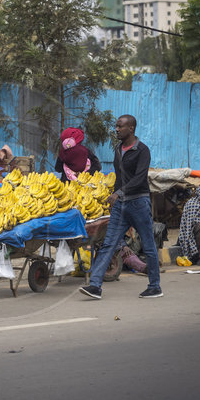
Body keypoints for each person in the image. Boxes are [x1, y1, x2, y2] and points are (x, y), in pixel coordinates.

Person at [79, 115, 163, 299]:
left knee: (148, 245)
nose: (116, 129)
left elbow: (140, 178)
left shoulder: (142, 150)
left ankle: (155, 286)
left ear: (131, 128)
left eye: (120, 126)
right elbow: (119, 177)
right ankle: (95, 286)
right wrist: (114, 195)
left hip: (138, 203)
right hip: (120, 206)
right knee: (108, 243)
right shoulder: (118, 149)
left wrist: (120, 193)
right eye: (116, 126)